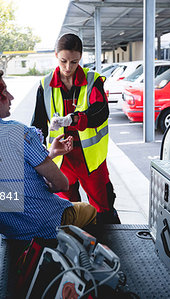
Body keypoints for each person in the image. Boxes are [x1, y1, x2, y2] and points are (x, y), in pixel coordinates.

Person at [0, 66, 96, 240]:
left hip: (8, 229)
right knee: (89, 210)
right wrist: (49, 179)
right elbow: (62, 184)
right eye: (5, 91)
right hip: (45, 223)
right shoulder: (17, 132)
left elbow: (9, 169)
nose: (11, 97)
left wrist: (50, 154)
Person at [31, 33, 120, 224]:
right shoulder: (45, 85)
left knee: (103, 207)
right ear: (56, 55)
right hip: (63, 160)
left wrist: (73, 119)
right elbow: (38, 124)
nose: (68, 67)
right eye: (63, 61)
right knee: (67, 210)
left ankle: (108, 245)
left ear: (81, 57)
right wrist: (37, 155)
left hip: (90, 159)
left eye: (74, 61)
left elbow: (100, 112)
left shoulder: (93, 80)